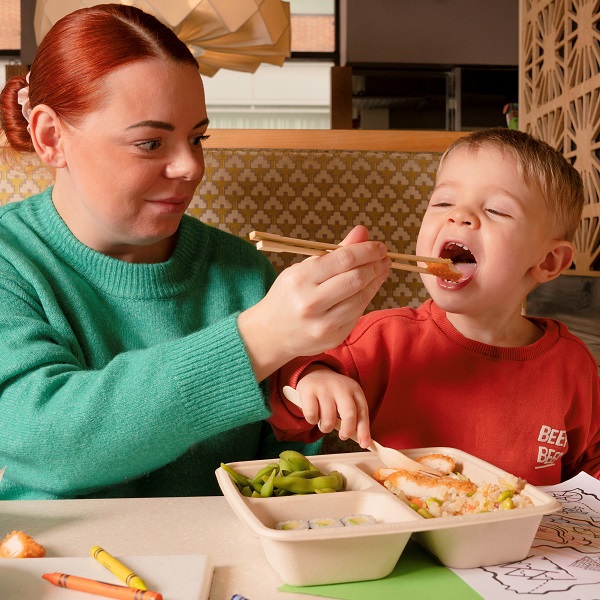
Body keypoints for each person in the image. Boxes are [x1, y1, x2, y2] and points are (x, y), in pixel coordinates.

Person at [0, 4, 391, 500]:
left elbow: (292, 468)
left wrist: (317, 380)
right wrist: (257, 338)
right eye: (150, 142)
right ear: (51, 137)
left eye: (198, 137)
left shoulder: (241, 271)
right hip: (55, 564)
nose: (190, 167)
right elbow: (42, 442)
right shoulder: (10, 261)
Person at [270, 127, 600, 486]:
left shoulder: (571, 365)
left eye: (496, 210)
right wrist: (313, 378)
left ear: (549, 261)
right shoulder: (385, 338)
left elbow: (590, 466)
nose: (459, 216)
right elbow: (286, 411)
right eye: (443, 203)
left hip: (524, 542)